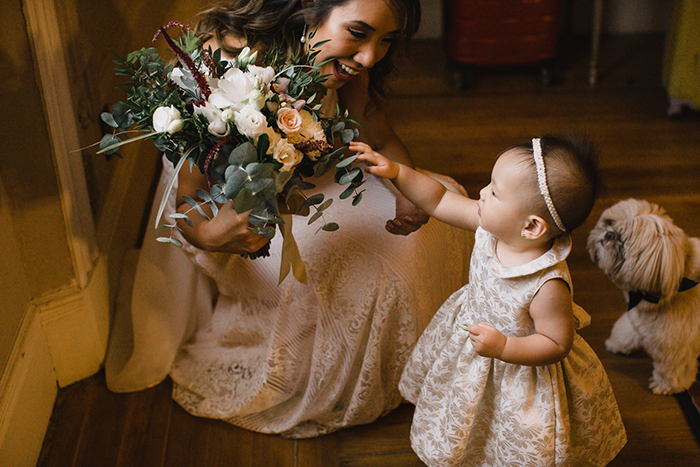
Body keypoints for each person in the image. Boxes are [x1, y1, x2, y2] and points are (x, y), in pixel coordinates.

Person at [104, 0, 473, 439]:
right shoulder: (220, 62)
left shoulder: (348, 66)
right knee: (365, 272)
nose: (371, 57)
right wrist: (209, 233)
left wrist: (407, 194)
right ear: (308, 8)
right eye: (358, 33)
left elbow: (376, 128)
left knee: (445, 208)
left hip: (317, 180)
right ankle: (309, 372)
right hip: (235, 210)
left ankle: (411, 365)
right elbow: (186, 204)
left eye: (386, 41)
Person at [352, 135, 627, 466]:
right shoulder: (489, 225)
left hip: (519, 373)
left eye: (495, 192)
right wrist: (397, 171)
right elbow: (438, 199)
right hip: (474, 347)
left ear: (531, 226)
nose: (482, 192)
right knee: (470, 419)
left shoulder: (547, 283)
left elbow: (556, 343)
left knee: (510, 436)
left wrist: (503, 348)